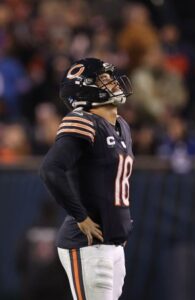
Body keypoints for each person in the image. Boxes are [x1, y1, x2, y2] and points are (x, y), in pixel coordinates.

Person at [40, 57, 134, 300]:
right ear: (85, 88)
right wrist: (81, 216)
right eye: (104, 79)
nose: (113, 83)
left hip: (113, 244)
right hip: (86, 244)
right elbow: (51, 169)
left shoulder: (121, 125)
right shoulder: (83, 121)